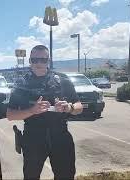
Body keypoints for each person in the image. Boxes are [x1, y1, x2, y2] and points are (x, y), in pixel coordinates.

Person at [6, 45, 83, 180]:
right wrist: (32, 110)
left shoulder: (62, 79)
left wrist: (69, 107)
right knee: (31, 176)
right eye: (35, 60)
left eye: (43, 59)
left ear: (49, 60)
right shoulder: (21, 83)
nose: (39, 63)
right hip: (33, 138)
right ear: (30, 60)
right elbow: (10, 115)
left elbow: (79, 106)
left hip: (60, 136)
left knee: (66, 176)